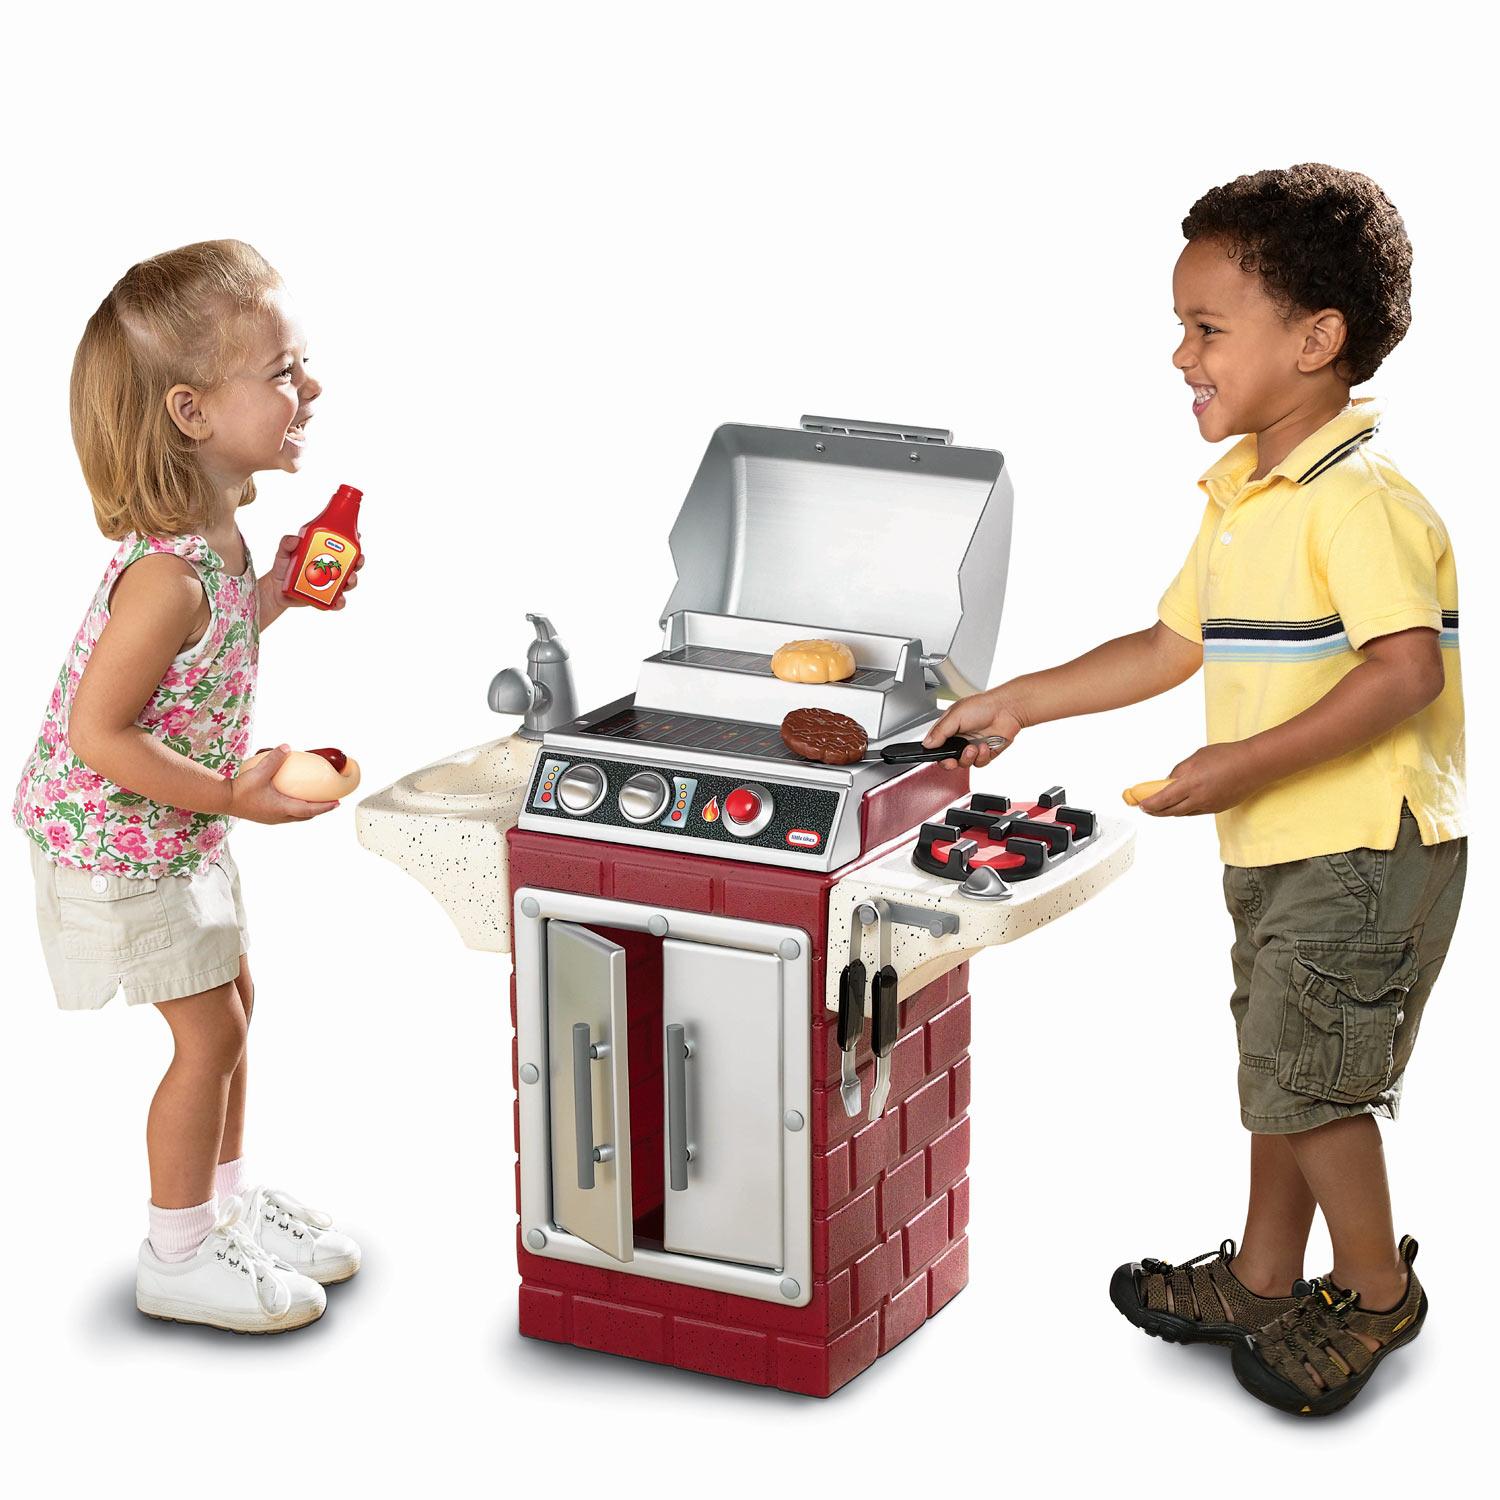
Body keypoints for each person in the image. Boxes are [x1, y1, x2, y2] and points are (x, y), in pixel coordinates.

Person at [923, 164, 1465, 1415]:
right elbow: (1170, 647)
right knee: (1280, 1066)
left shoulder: (1358, 502)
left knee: (1315, 1087)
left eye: (1208, 328)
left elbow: (1404, 674)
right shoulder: (1244, 498)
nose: (1181, 354)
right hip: (1283, 845)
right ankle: (1267, 1277)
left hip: (1363, 848)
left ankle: (1375, 1291)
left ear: (1315, 341)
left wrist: (1238, 765)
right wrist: (1018, 700)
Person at [13, 240, 367, 1334]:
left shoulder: (213, 543)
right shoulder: (164, 575)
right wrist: (229, 795)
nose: (312, 387)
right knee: (208, 1035)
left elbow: (206, 652)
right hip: (116, 842)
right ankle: (177, 1254)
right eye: (284, 371)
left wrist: (275, 595)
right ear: (191, 412)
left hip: (171, 829)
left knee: (235, 1006)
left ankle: (224, 1208)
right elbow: (97, 731)